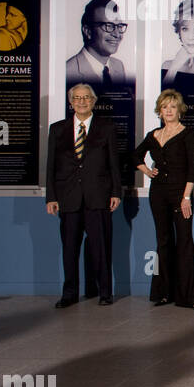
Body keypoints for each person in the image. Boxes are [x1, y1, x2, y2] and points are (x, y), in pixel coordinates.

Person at [45, 83, 122, 307]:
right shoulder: (57, 129)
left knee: (101, 247)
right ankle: (69, 294)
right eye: (77, 98)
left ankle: (105, 292)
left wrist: (116, 191)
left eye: (86, 98)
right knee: (70, 248)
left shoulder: (106, 127)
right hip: (68, 197)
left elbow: (113, 164)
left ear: (93, 101)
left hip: (98, 196)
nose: (81, 101)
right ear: (71, 102)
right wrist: (51, 196)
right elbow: (51, 166)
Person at [134, 90, 194, 310]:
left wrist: (186, 197)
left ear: (179, 110)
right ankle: (163, 293)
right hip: (158, 193)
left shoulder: (187, 133)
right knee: (162, 241)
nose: (169, 111)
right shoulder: (153, 135)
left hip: (180, 193)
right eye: (165, 107)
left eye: (173, 107)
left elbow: (193, 168)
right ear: (160, 111)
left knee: (184, 241)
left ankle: (189, 297)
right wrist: (146, 170)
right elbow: (134, 156)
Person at [66, 0, 129, 87]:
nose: (117, 34)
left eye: (119, 26)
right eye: (109, 26)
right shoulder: (67, 72)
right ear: (88, 31)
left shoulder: (119, 66)